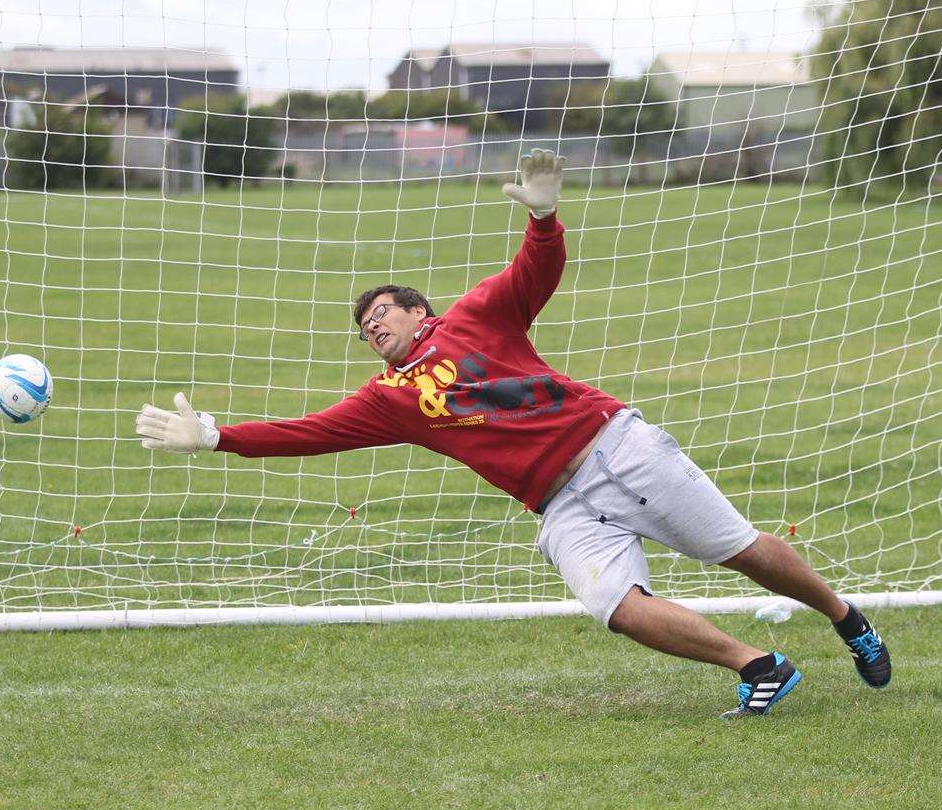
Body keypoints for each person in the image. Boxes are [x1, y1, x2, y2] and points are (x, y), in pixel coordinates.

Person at [135, 150, 890, 717]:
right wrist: (215, 436)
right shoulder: (390, 399)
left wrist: (542, 215)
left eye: (381, 316)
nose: (371, 329)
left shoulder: (476, 315)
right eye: (364, 331)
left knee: (741, 553)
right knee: (615, 608)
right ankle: (759, 665)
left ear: (417, 310)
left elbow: (540, 266)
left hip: (613, 447)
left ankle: (844, 618)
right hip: (560, 505)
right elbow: (308, 433)